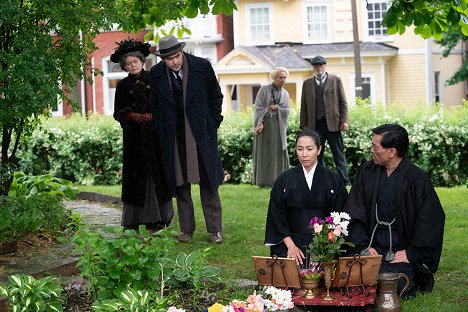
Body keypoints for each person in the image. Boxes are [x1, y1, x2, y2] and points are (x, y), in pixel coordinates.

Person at [343, 124, 445, 295]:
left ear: (392, 151)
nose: (371, 150)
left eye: (375, 146)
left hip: (399, 251)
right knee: (348, 278)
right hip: (371, 247)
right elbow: (354, 211)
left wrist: (411, 253)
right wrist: (363, 246)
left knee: (392, 285)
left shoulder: (416, 178)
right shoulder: (367, 172)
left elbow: (430, 219)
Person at [149, 35, 224, 243]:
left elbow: (215, 97)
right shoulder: (155, 75)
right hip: (173, 137)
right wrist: (161, 128)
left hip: (201, 133)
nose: (175, 61)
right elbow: (154, 104)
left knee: (209, 182)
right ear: (162, 59)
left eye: (177, 56)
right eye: (170, 58)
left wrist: (212, 123)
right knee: (180, 183)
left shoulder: (202, 66)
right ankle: (186, 230)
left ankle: (215, 230)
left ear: (182, 52)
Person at [111, 38, 174, 231]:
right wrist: (131, 115)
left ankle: (159, 217)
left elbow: (165, 104)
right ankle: (135, 218)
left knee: (157, 172)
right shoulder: (122, 86)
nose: (132, 66)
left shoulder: (154, 79)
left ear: (142, 62)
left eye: (135, 62)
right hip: (134, 138)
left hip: (155, 136)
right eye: (128, 64)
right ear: (124, 66)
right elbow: (117, 112)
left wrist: (153, 115)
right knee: (136, 174)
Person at [264, 129, 348, 266]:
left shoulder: (333, 179)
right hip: (291, 241)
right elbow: (276, 215)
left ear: (319, 150)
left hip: (325, 242)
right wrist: (290, 246)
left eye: (309, 149)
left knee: (326, 277)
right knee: (290, 277)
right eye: (299, 149)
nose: (304, 154)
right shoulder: (284, 180)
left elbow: (341, 213)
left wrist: (327, 246)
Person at [300, 55, 351, 186]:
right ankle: (319, 182)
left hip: (334, 124)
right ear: (313, 67)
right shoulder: (307, 83)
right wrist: (303, 124)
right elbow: (303, 105)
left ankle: (345, 182)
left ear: (325, 66)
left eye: (321, 65)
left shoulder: (336, 80)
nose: (318, 68)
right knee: (316, 155)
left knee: (338, 155)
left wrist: (344, 120)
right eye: (316, 66)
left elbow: (343, 102)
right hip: (314, 125)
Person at [252, 67, 290, 187]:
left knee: (278, 151)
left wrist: (277, 107)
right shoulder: (264, 89)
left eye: (285, 77)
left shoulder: (285, 94)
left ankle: (279, 180)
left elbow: (287, 111)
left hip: (279, 126)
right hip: (265, 124)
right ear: (274, 77)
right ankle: (263, 181)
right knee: (265, 152)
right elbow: (258, 107)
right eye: (280, 77)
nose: (283, 80)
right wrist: (260, 122)